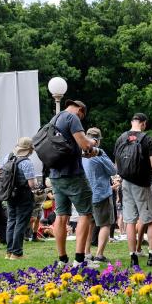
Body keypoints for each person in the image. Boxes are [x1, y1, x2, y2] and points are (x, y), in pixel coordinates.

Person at [47, 99, 99, 267]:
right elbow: (84, 144)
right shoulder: (72, 118)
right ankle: (79, 260)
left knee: (61, 216)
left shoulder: (54, 119)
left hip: (55, 175)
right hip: (73, 175)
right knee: (85, 213)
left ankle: (63, 260)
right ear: (81, 110)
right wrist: (92, 144)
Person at [115, 113, 152, 268]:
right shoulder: (147, 139)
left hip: (125, 184)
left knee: (129, 220)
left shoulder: (121, 138)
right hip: (143, 184)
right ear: (144, 124)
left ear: (132, 122)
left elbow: (117, 165)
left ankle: (133, 256)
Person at [81, 127, 117, 264]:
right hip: (101, 193)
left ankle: (86, 252)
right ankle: (99, 254)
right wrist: (102, 154)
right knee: (105, 224)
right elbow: (113, 171)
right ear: (97, 141)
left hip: (86, 194)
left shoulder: (80, 153)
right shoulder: (98, 154)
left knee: (89, 224)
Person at [2, 137, 38, 259]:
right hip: (23, 195)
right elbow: (31, 184)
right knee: (21, 223)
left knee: (11, 221)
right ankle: (17, 253)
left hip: (10, 194)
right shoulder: (26, 163)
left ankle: (9, 252)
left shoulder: (8, 157)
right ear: (30, 150)